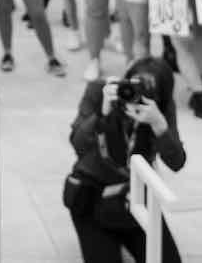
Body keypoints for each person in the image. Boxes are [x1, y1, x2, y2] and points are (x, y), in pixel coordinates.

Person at [65, 57, 185, 262]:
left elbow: (176, 162)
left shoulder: (160, 108)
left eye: (148, 92)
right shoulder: (100, 91)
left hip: (134, 199)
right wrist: (102, 114)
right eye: (134, 86)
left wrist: (159, 126)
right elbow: (78, 144)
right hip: (92, 196)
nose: (135, 96)